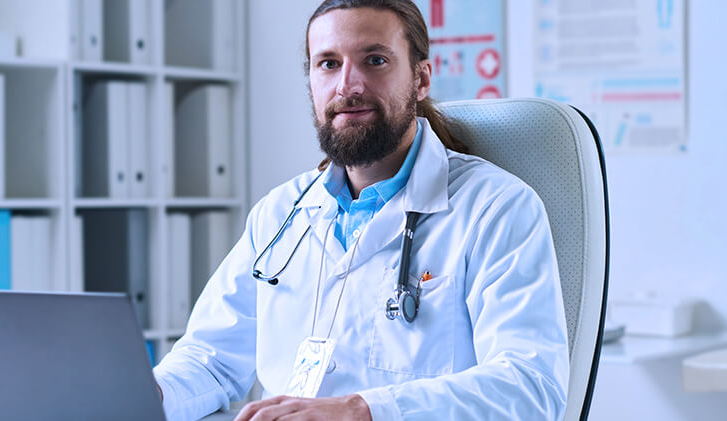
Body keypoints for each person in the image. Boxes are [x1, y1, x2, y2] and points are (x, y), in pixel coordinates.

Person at [153, 1, 569, 420]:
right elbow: (212, 359)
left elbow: (530, 388)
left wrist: (365, 411)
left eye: (374, 60)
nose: (347, 86)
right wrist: (149, 393)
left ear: (421, 78)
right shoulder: (281, 213)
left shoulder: (496, 208)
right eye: (329, 64)